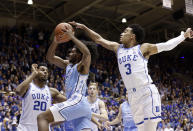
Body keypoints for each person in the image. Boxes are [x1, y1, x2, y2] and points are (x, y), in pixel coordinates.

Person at [69, 21, 193, 131]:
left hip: (146, 92)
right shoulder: (117, 48)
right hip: (132, 96)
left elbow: (166, 46)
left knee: (150, 128)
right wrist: (84, 27)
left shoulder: (143, 48)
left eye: (125, 31)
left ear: (132, 36)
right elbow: (99, 39)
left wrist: (183, 36)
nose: (122, 34)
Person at [37, 27, 92, 131]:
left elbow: (87, 54)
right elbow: (50, 58)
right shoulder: (67, 64)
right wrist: (55, 42)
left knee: (42, 118)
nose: (69, 53)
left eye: (72, 52)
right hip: (79, 106)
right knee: (50, 124)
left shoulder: (82, 66)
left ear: (79, 55)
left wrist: (72, 37)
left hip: (78, 101)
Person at [15, 63, 67, 131]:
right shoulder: (28, 87)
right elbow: (18, 91)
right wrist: (33, 74)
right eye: (42, 70)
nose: (45, 72)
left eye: (47, 71)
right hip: (25, 128)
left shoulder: (52, 91)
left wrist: (51, 124)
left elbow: (69, 103)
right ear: (36, 71)